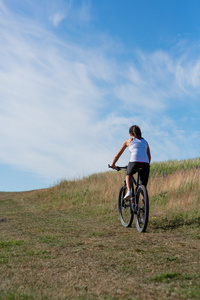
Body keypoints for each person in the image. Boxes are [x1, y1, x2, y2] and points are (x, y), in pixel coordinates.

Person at [110, 125, 151, 199]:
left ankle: (129, 191)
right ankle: (145, 207)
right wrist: (146, 165)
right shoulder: (145, 142)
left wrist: (113, 165)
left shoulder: (128, 140)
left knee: (128, 175)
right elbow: (149, 157)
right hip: (146, 164)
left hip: (134, 162)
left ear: (130, 134)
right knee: (143, 188)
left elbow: (118, 155)